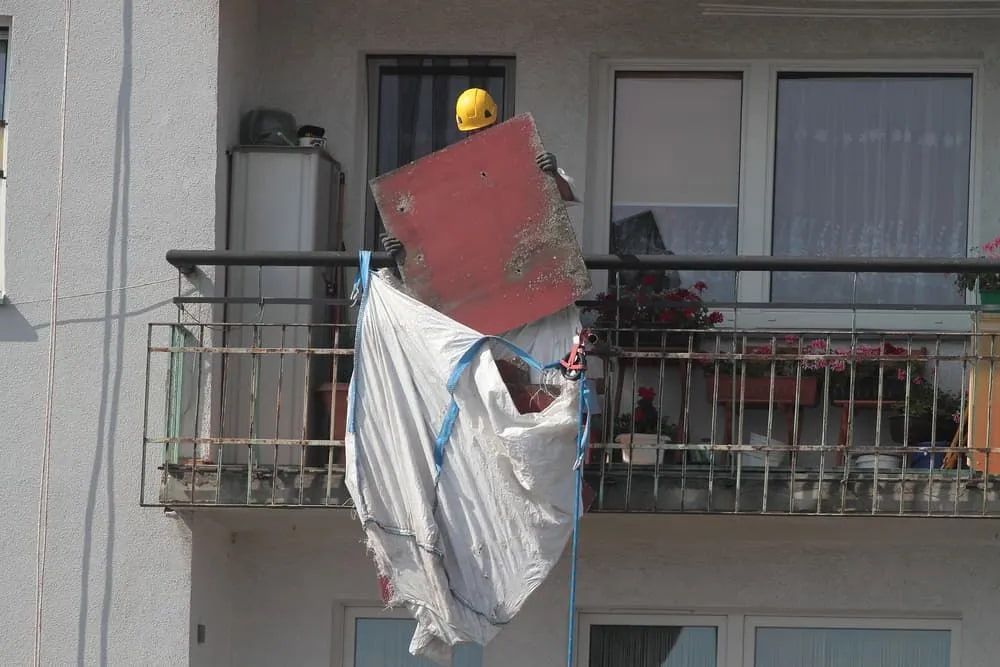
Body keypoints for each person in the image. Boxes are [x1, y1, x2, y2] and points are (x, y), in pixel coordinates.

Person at [380, 87, 579, 269]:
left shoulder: (520, 155)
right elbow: (435, 223)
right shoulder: (452, 171)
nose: (479, 134)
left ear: (495, 121)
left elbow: (566, 197)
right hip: (473, 272)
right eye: (473, 131)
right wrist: (402, 247)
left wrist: (552, 174)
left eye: (484, 128)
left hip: (522, 265)